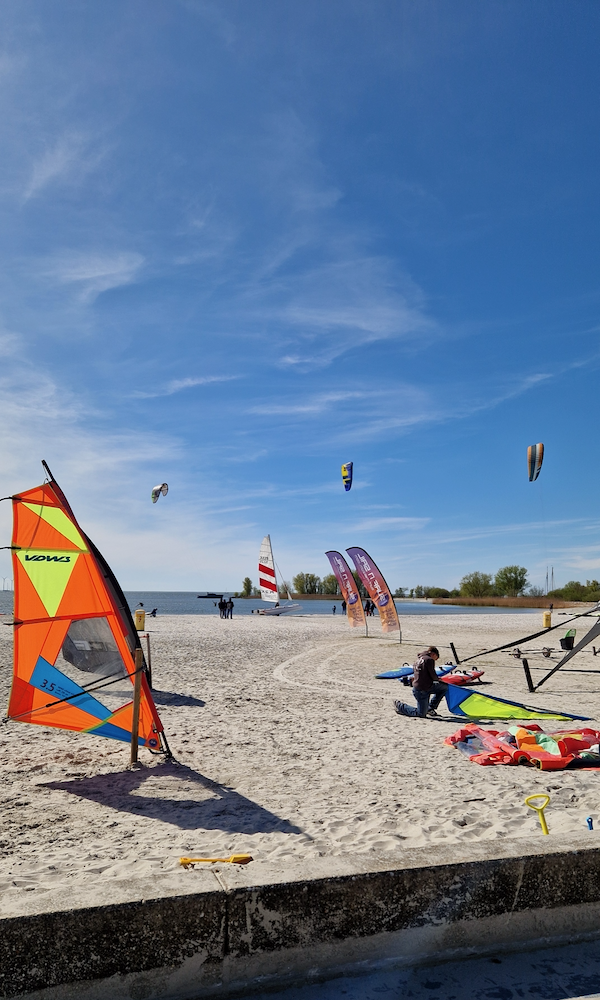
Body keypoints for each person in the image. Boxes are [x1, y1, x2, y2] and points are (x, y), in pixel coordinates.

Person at [393, 646, 448, 718]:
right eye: (436, 658)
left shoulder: (418, 660)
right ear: (434, 654)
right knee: (421, 714)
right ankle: (400, 706)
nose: (435, 660)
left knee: (443, 688)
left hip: (422, 686)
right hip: (421, 689)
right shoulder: (429, 660)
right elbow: (432, 673)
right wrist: (437, 679)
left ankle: (430, 708)